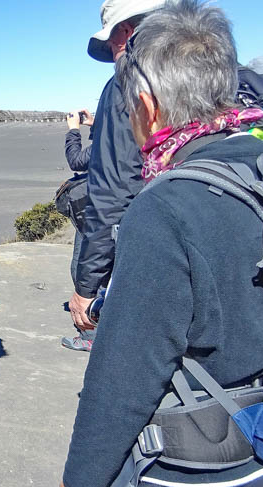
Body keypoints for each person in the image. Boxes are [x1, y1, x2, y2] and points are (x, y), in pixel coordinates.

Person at [51, 3, 263, 487]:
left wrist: (82, 481)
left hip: (212, 461)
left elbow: (128, 367)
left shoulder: (167, 205)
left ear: (144, 103)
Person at [64, 0, 164, 351]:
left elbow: (113, 188)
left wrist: (85, 288)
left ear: (124, 32)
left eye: (111, 43)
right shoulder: (200, 75)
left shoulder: (126, 85)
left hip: (147, 240)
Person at [61, 108, 97, 352]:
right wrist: (96, 125)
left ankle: (90, 333)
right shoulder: (135, 133)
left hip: (99, 208)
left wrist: (73, 130)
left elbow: (78, 161)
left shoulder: (119, 135)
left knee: (84, 265)